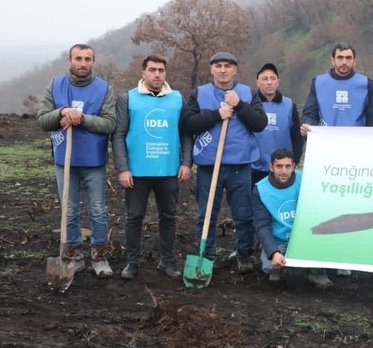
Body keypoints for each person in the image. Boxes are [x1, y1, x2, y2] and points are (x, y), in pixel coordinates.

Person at [181, 52, 267, 274]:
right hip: (209, 166)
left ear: (235, 70)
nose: (223, 70)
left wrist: (239, 105)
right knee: (206, 213)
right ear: (211, 69)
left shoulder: (247, 93)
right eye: (218, 66)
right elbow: (188, 125)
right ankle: (207, 254)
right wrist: (216, 115)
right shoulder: (199, 94)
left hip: (240, 165)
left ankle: (244, 254)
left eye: (228, 66)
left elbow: (259, 123)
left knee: (243, 213)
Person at [37, 44, 117, 278]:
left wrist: (81, 118)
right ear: (69, 60)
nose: (83, 63)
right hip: (65, 160)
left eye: (88, 59)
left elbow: (110, 123)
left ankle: (100, 256)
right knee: (69, 210)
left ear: (93, 61)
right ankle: (72, 255)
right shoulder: (56, 85)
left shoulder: (104, 89)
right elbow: (42, 121)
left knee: (97, 210)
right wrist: (62, 112)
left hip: (94, 161)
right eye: (78, 58)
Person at [300, 42, 373, 277]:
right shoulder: (319, 83)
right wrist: (306, 124)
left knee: (351, 206)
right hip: (325, 155)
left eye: (348, 58)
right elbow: (310, 112)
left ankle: (345, 256)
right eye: (340, 57)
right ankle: (321, 256)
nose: (344, 62)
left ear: (354, 60)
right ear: (332, 60)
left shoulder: (366, 84)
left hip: (355, 156)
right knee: (325, 204)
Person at [113, 55, 192, 280]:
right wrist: (122, 168)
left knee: (169, 217)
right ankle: (132, 263)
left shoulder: (177, 99)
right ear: (143, 73)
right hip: (136, 172)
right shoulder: (127, 98)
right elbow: (118, 135)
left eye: (161, 70)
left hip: (168, 171)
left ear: (165, 73)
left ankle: (167, 261)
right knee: (134, 217)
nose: (157, 74)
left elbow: (186, 132)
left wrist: (186, 162)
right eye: (152, 70)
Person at [251, 148, 333, 287]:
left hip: (306, 237)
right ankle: (278, 268)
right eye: (279, 166)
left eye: (288, 166)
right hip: (279, 239)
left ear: (294, 166)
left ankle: (316, 272)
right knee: (269, 266)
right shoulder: (260, 189)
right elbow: (262, 225)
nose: (284, 171)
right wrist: (273, 252)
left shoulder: (306, 180)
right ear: (271, 167)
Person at [251, 63, 303, 184]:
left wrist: (295, 159)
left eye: (273, 78)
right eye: (265, 79)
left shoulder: (289, 104)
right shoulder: (250, 104)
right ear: (257, 82)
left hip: (282, 169)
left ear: (278, 81)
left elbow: (296, 135)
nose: (269, 82)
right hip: (255, 169)